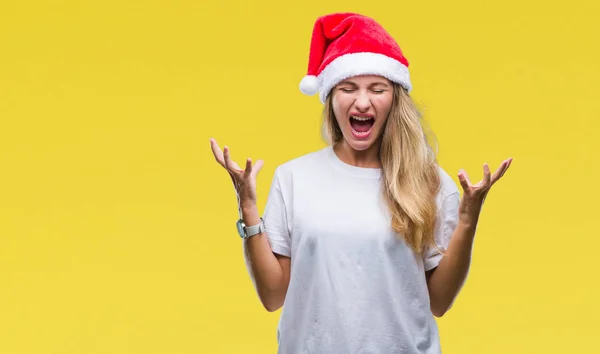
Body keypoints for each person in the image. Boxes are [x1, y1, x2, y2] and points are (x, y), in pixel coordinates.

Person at [210, 12, 512, 354]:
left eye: (377, 89)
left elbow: (439, 302)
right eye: (348, 88)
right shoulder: (294, 177)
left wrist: (468, 223)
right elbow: (273, 295)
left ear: (395, 99)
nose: (362, 101)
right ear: (330, 98)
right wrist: (248, 207)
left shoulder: (429, 182)